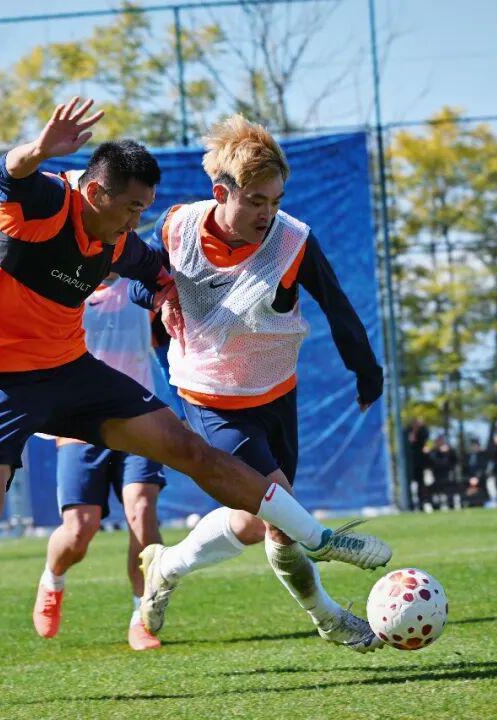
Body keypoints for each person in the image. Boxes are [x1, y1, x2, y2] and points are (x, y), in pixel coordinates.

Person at [0, 97, 392, 655]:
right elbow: (12, 173)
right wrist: (40, 148)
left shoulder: (122, 240)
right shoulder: (49, 203)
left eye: (143, 208)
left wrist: (167, 294)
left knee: (191, 454)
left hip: (73, 373)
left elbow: (155, 274)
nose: (135, 222)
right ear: (96, 193)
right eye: (130, 208)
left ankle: (313, 541)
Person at [127, 114, 388, 653]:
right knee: (284, 514)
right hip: (209, 398)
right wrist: (159, 296)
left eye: (275, 200)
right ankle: (329, 617)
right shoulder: (176, 228)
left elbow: (337, 306)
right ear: (220, 193)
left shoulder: (293, 241)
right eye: (255, 201)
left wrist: (367, 372)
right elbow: (139, 284)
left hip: (275, 394)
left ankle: (166, 566)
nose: (267, 213)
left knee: (254, 523)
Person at [34, 274, 165, 652]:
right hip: (80, 424)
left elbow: (164, 335)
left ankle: (142, 617)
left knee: (142, 511)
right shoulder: (62, 290)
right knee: (79, 529)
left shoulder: (139, 285)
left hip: (139, 418)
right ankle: (52, 580)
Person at [426, 435, 458, 510]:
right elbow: (431, 461)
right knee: (435, 493)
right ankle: (436, 507)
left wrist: (448, 451)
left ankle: (451, 506)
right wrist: (436, 450)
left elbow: (454, 461)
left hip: (447, 475)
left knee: (449, 492)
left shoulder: (449, 450)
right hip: (436, 476)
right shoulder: (434, 451)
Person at [406, 418, 430, 511]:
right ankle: (409, 504)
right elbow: (410, 441)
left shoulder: (423, 431)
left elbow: (425, 440)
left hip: (419, 463)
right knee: (409, 484)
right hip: (409, 463)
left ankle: (421, 504)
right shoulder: (407, 431)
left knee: (421, 484)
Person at [461, 437, 488, 508]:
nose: (474, 447)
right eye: (472, 445)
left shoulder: (483, 456)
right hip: (468, 482)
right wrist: (469, 479)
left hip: (480, 482)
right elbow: (464, 470)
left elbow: (483, 468)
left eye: (476, 445)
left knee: (479, 502)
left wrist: (477, 478)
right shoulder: (466, 457)